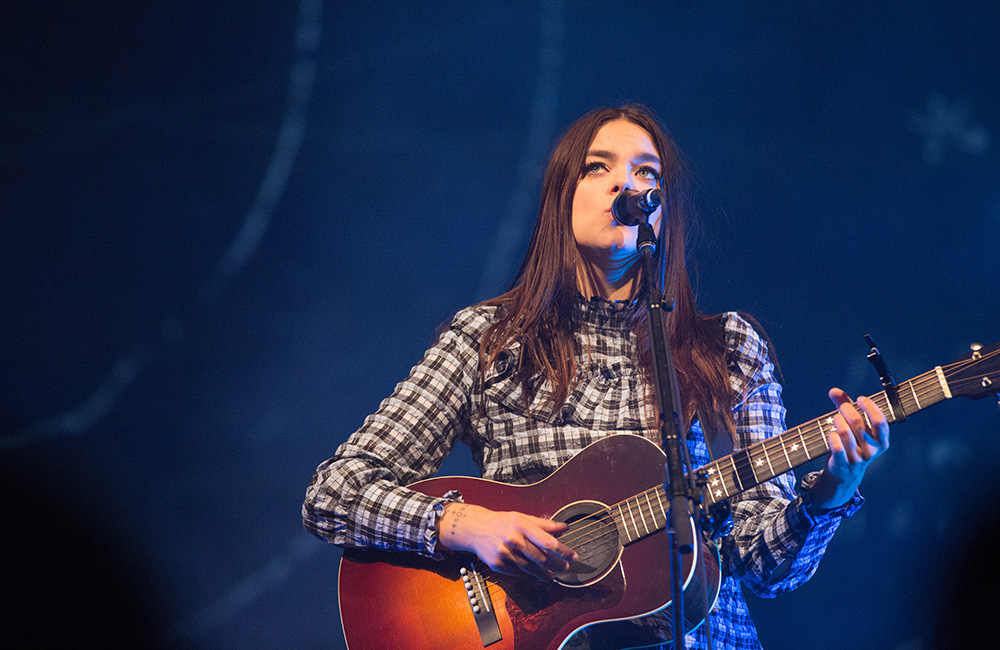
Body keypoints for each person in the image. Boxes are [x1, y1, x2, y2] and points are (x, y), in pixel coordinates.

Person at [302, 104, 889, 649]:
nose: (625, 185)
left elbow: (763, 568)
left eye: (645, 173)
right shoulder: (491, 338)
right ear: (563, 195)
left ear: (663, 206)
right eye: (597, 167)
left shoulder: (727, 348)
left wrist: (834, 486)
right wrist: (465, 524)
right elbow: (334, 492)